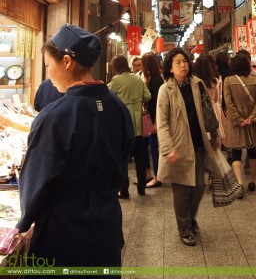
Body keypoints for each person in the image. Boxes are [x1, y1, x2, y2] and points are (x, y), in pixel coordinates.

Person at [16, 24, 134, 271]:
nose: (48, 74)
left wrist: (24, 221)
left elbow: (36, 180)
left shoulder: (54, 116)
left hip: (64, 232)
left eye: (48, 65)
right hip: (107, 226)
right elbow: (122, 167)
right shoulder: (118, 108)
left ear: (66, 62)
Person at [157, 47, 222, 247]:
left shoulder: (198, 84)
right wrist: (168, 148)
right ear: (170, 68)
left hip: (198, 143)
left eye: (184, 61)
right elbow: (162, 122)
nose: (183, 65)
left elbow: (208, 111)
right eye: (178, 62)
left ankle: (190, 218)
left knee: (200, 186)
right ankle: (184, 228)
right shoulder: (165, 90)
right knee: (181, 189)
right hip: (178, 146)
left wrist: (215, 135)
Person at [109, 55, 151, 197]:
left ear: (116, 67)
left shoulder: (116, 80)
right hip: (138, 124)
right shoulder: (137, 79)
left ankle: (124, 190)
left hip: (122, 124)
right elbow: (148, 96)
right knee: (140, 158)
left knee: (123, 159)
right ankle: (141, 188)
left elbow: (107, 95)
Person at [223, 52, 256, 194]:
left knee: (236, 152)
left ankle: (239, 183)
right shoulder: (255, 80)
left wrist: (239, 119)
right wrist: (251, 118)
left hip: (236, 123)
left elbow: (229, 103)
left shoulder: (228, 81)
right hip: (252, 123)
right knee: (253, 151)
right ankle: (252, 181)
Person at [141, 52, 164, 188]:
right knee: (152, 147)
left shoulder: (156, 80)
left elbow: (157, 102)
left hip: (155, 119)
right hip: (152, 118)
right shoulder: (153, 78)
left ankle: (157, 176)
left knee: (155, 148)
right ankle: (154, 175)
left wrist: (155, 122)